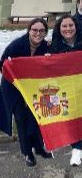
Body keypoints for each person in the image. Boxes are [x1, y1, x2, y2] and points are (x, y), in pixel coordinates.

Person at [1, 19, 54, 166]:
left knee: (37, 118)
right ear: (29, 31)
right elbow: (2, 64)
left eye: (41, 31)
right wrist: (9, 63)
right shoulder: (17, 45)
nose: (38, 33)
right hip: (14, 89)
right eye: (35, 30)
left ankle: (38, 147)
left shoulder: (44, 46)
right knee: (21, 118)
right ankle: (27, 153)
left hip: (33, 89)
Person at [50, 14, 82, 166]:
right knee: (74, 115)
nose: (68, 29)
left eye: (71, 26)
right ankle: (77, 148)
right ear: (59, 28)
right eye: (64, 26)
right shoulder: (54, 45)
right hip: (67, 88)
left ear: (76, 27)